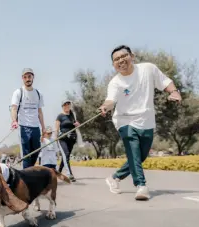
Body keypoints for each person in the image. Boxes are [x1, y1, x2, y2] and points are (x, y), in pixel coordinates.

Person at [99, 45, 182, 201]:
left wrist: (174, 92)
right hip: (124, 120)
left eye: (124, 56)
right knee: (133, 149)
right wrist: (105, 107)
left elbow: (165, 82)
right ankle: (141, 185)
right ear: (113, 65)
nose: (121, 61)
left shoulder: (148, 69)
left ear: (132, 56)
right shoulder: (115, 82)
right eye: (116, 59)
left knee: (140, 156)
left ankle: (115, 177)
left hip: (146, 120)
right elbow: (110, 100)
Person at [10, 68, 46, 169]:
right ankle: (26, 178)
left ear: (33, 77)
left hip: (35, 128)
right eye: (25, 77)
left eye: (29, 77)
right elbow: (14, 108)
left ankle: (28, 172)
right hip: (23, 127)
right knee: (26, 155)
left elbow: (40, 112)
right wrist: (14, 121)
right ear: (22, 79)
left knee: (36, 151)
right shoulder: (18, 92)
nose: (27, 79)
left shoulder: (38, 93)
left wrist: (43, 127)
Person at [55, 99, 83, 182]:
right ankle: (69, 174)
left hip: (72, 138)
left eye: (68, 104)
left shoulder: (72, 115)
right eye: (65, 105)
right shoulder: (60, 116)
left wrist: (77, 124)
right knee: (66, 154)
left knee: (66, 157)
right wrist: (56, 139)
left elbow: (76, 124)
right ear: (62, 106)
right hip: (63, 139)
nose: (67, 106)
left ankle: (58, 172)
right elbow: (56, 129)